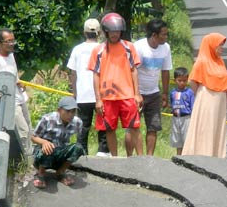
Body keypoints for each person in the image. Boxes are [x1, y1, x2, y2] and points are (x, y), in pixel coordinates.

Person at [89, 12, 142, 157]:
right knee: (109, 129)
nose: (114, 34)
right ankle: (115, 159)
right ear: (106, 32)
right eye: (111, 31)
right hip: (107, 98)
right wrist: (98, 99)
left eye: (117, 31)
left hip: (127, 95)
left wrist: (137, 94)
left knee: (134, 127)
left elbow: (134, 70)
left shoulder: (129, 47)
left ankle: (142, 159)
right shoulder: (98, 50)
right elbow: (96, 75)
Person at [182, 33, 227, 158]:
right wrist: (201, 93)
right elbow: (192, 81)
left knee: (217, 127)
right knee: (206, 127)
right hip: (206, 98)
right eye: (219, 45)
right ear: (211, 45)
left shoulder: (220, 61)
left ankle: (216, 155)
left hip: (220, 100)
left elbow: (226, 81)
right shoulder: (201, 61)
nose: (222, 48)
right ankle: (203, 154)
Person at [67, 18, 108, 156]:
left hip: (83, 94)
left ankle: (81, 152)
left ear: (84, 33)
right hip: (101, 95)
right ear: (99, 33)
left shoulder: (77, 49)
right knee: (103, 124)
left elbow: (73, 73)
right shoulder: (104, 48)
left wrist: (74, 92)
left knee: (83, 126)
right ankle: (102, 152)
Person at [0, 28, 31, 153]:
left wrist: (19, 82)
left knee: (29, 128)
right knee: (23, 130)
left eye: (13, 40)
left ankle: (31, 158)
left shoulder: (11, 56)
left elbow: (14, 76)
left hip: (20, 97)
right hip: (11, 102)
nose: (12, 44)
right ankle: (24, 160)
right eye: (8, 41)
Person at [134, 19, 173, 156]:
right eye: (163, 34)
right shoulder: (139, 47)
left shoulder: (166, 48)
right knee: (133, 127)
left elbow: (165, 70)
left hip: (154, 93)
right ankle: (136, 156)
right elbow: (130, 70)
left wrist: (165, 93)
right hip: (137, 93)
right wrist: (136, 93)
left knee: (153, 127)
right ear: (154, 35)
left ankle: (149, 157)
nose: (166, 37)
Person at [31, 96, 84, 189]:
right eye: (68, 111)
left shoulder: (77, 122)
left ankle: (60, 172)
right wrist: (44, 142)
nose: (71, 114)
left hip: (60, 151)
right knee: (49, 146)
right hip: (43, 153)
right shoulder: (48, 119)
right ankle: (41, 173)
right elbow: (33, 137)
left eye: (73, 111)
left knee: (79, 147)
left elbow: (77, 142)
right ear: (59, 110)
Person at [169, 67, 194, 156]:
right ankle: (178, 157)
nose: (182, 83)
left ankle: (186, 157)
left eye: (184, 80)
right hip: (176, 118)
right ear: (175, 80)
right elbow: (171, 103)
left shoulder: (189, 92)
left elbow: (192, 106)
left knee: (186, 138)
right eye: (179, 80)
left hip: (186, 118)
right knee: (177, 139)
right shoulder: (172, 92)